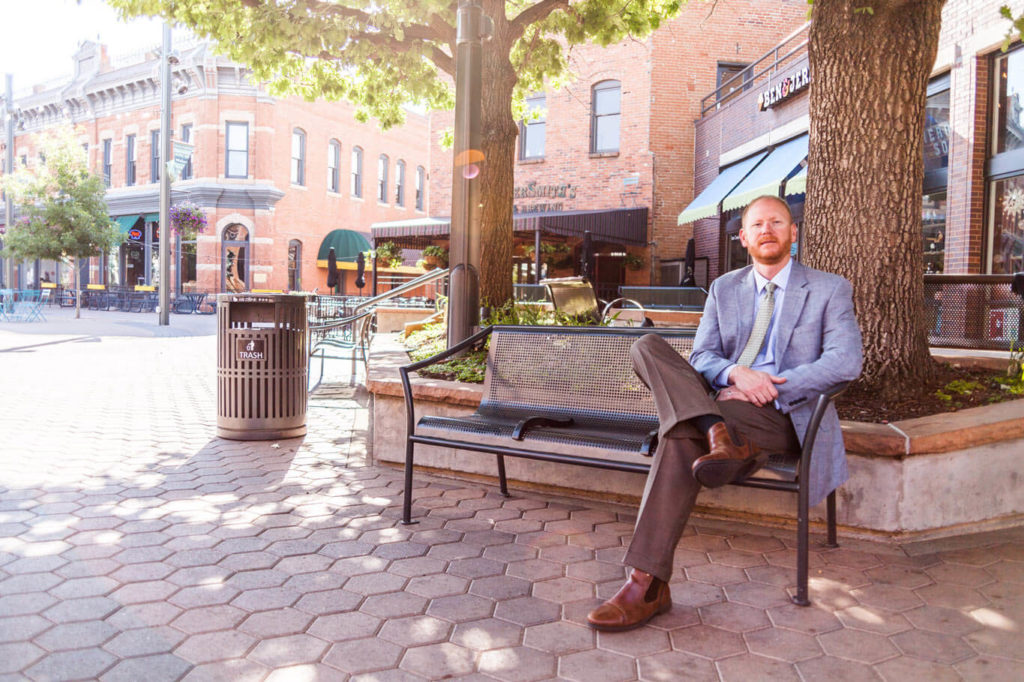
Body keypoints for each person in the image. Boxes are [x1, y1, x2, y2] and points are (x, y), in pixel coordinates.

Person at [587, 195, 863, 632]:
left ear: (793, 232)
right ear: (743, 238)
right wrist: (735, 373)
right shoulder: (725, 288)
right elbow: (702, 356)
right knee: (646, 346)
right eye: (757, 224)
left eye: (777, 222)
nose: (767, 230)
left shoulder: (829, 288)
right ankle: (718, 433)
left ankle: (646, 585)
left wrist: (766, 386)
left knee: (679, 437)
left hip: (781, 413)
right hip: (721, 402)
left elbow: (844, 361)